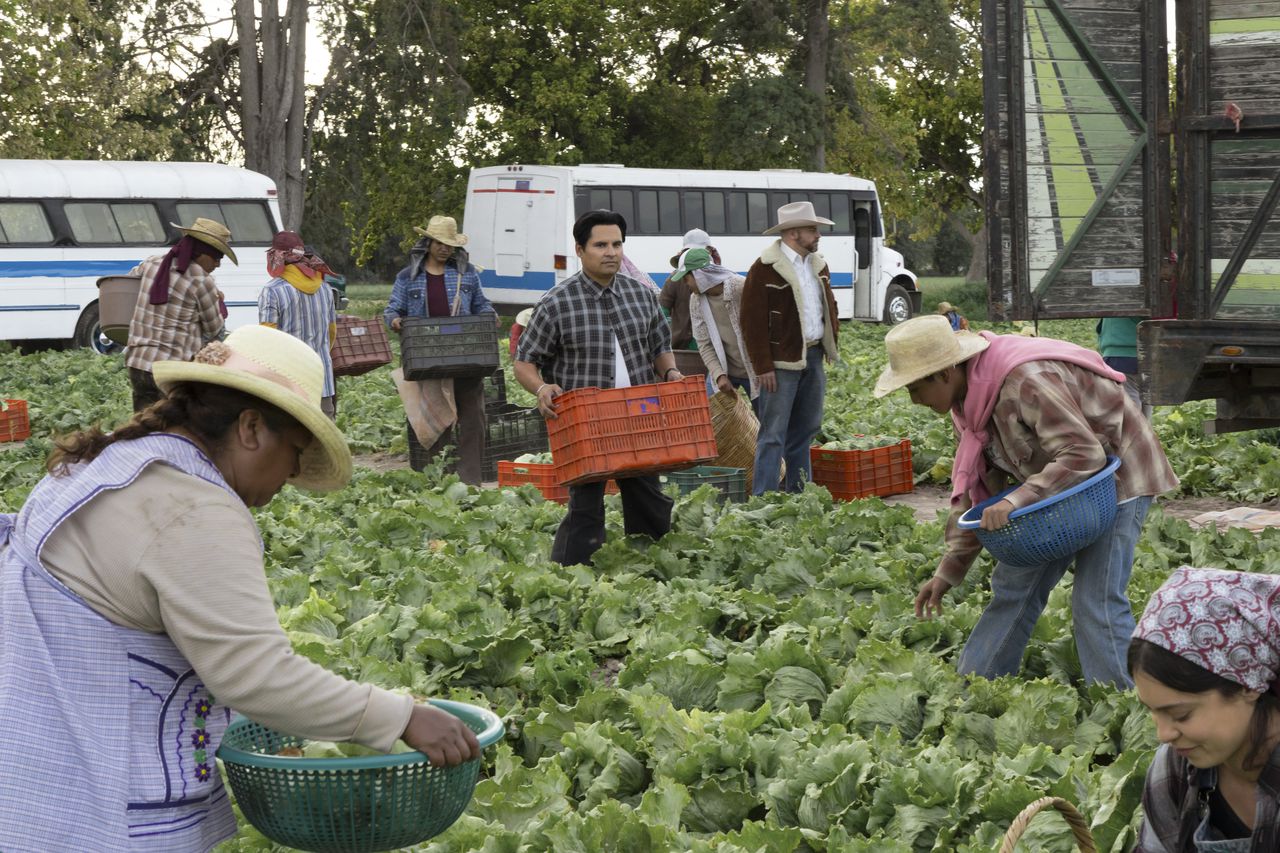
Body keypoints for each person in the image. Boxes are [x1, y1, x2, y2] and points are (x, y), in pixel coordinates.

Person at [0, 325, 479, 852]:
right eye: (295, 452)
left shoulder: (109, 462)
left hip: (29, 761)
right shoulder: (193, 506)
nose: (292, 475)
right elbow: (255, 674)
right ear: (251, 428)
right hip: (90, 800)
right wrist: (403, 716)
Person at [876, 314, 1178, 686]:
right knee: (1015, 583)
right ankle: (976, 687)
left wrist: (1016, 501)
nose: (914, 400)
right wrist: (948, 571)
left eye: (915, 388)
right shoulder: (968, 409)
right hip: (1057, 484)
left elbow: (1083, 454)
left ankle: (1121, 702)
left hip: (1119, 472)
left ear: (944, 373)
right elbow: (976, 493)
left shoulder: (1025, 382)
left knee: (1095, 599)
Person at [514, 209, 681, 566]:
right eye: (601, 245)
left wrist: (670, 374)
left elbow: (659, 348)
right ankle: (573, 571)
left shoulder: (641, 295)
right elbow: (524, 361)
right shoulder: (556, 302)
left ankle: (651, 562)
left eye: (617, 244)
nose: (611, 252)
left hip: (638, 412)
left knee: (647, 493)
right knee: (585, 501)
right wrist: (542, 388)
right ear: (580, 249)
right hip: (584, 419)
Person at [1130, 567, 1280, 850]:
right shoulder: (1175, 765)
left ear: (1247, 685)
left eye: (1181, 715)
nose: (1163, 734)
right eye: (1152, 711)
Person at [383, 215, 497, 484]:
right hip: (428, 356)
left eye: (449, 244)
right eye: (439, 243)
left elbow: (481, 304)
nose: (445, 249)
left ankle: (470, 481)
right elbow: (392, 309)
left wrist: (489, 314)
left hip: (466, 355)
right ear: (428, 243)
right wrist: (395, 320)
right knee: (436, 420)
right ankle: (441, 479)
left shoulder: (466, 274)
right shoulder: (408, 276)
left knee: (473, 419)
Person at [740, 201, 839, 494]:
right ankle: (765, 498)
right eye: (812, 229)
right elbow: (751, 323)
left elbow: (827, 308)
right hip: (780, 365)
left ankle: (798, 495)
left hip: (814, 356)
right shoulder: (763, 269)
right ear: (793, 233)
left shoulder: (818, 265)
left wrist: (829, 343)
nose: (818, 234)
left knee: (805, 431)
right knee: (772, 434)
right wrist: (763, 366)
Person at [125, 217, 234, 413]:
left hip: (138, 362)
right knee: (168, 430)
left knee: (142, 428)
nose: (218, 264)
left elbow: (129, 281)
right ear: (201, 254)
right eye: (217, 257)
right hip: (170, 370)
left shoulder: (152, 263)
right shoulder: (201, 280)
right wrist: (217, 302)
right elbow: (214, 329)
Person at [258, 230, 338, 418]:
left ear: (277, 257)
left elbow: (266, 337)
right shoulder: (325, 289)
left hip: (288, 381)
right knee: (324, 434)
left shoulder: (272, 291)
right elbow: (332, 332)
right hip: (321, 378)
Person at [671, 246, 759, 414]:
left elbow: (763, 331)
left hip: (757, 370)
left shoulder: (741, 288)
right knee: (710, 415)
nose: (685, 284)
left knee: (766, 422)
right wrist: (719, 375)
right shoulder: (696, 300)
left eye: (686, 278)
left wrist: (766, 368)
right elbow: (704, 343)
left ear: (700, 275)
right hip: (727, 368)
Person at [659, 229, 719, 350]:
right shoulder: (674, 279)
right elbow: (661, 312)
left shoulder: (718, 279)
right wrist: (670, 330)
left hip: (713, 346)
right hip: (681, 346)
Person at [1097, 317, 1153, 418]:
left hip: (1119, 351)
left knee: (1130, 403)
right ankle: (1145, 431)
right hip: (1152, 351)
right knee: (1147, 401)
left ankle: (1135, 431)